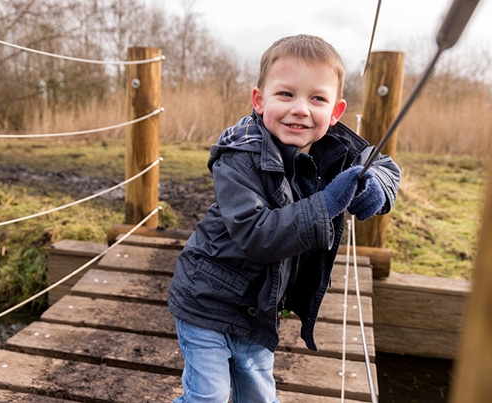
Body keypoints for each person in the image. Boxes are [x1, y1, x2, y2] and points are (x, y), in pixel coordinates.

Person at [168, 34, 401, 402]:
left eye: (317, 99)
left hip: (260, 308)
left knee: (258, 394)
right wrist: (327, 203)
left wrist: (379, 185)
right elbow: (258, 236)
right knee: (208, 397)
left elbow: (383, 163)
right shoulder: (237, 156)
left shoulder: (334, 145)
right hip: (206, 300)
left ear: (336, 112)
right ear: (260, 100)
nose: (301, 109)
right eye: (286, 94)